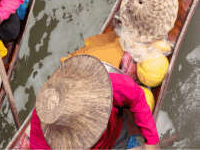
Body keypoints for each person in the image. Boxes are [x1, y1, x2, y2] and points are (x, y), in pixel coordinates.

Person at [29, 54, 161, 150]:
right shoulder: (44, 134)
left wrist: (152, 140)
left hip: (117, 131)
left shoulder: (101, 86)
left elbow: (136, 96)